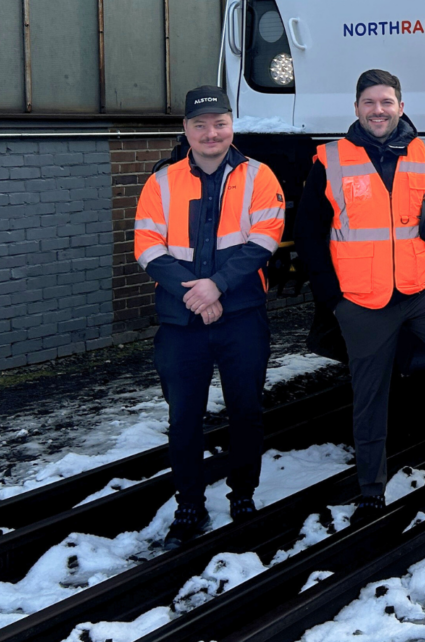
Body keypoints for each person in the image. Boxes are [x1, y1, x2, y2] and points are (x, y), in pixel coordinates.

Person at [295, 69, 425, 528]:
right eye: (369, 102)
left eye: (386, 102)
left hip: (421, 288)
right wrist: (332, 299)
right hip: (361, 299)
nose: (378, 110)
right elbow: (308, 234)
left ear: (401, 107)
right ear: (356, 108)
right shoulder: (331, 160)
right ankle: (371, 490)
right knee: (370, 394)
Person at [134, 86, 286, 549]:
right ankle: (189, 504)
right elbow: (147, 247)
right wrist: (198, 295)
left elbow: (265, 240)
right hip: (181, 322)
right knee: (183, 417)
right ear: (186, 129)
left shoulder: (259, 176)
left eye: (219, 123)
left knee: (246, 411)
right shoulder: (162, 181)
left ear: (232, 126)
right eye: (200, 125)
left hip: (241, 317)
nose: (211, 133)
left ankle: (243, 494)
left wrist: (216, 286)